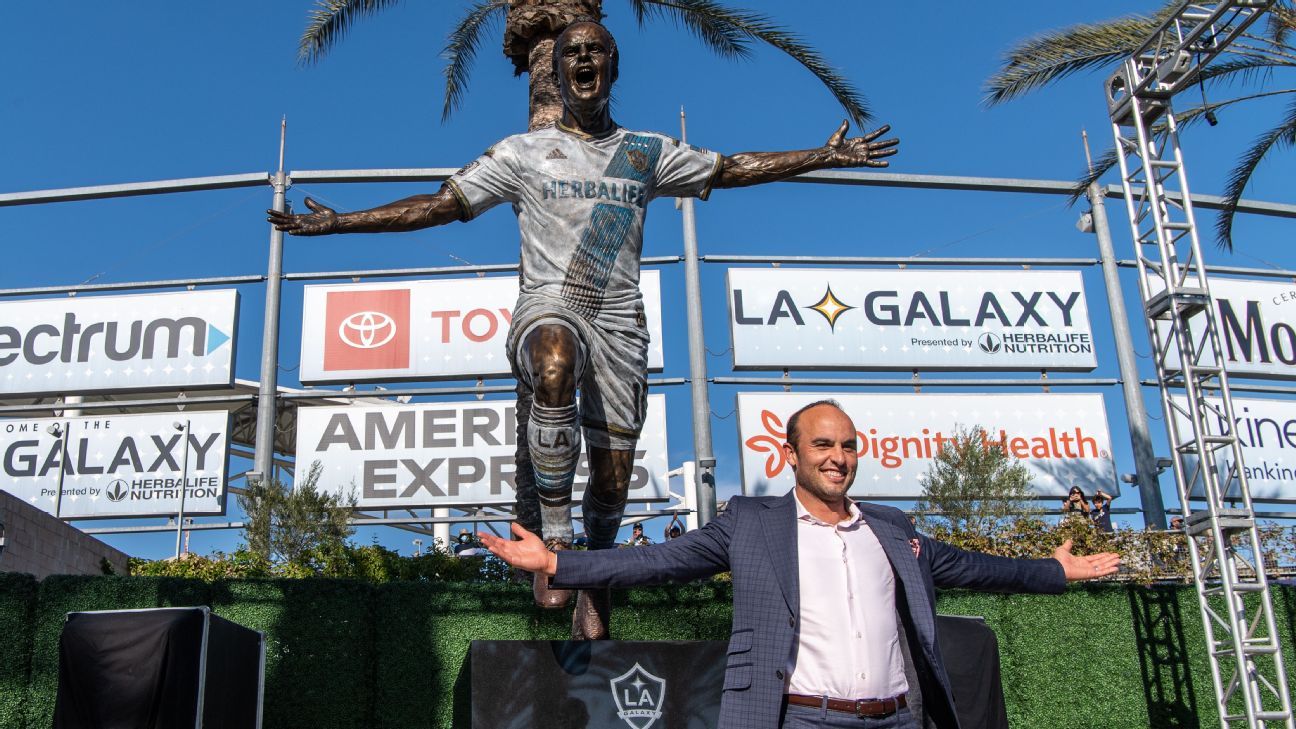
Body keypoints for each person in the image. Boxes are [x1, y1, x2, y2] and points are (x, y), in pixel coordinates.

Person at [270, 20, 899, 640]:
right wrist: (342, 223)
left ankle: (594, 570)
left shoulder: (645, 153)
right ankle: (556, 536)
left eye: (596, 50)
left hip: (620, 321)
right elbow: (439, 206)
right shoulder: (518, 154)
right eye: (573, 52)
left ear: (613, 67)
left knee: (613, 476)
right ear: (558, 70)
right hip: (551, 304)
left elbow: (731, 168)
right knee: (552, 361)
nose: (584, 60)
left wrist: (823, 155)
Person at [480, 400, 1120, 728]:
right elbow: (658, 561)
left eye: (847, 446)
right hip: (801, 718)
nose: (837, 457)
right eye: (822, 445)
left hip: (898, 716)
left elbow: (976, 569)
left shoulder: (893, 531)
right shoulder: (751, 525)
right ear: (791, 454)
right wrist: (557, 562)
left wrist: (1055, 570)